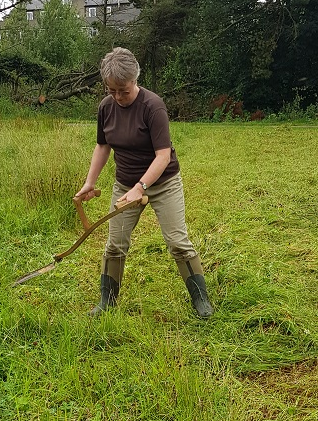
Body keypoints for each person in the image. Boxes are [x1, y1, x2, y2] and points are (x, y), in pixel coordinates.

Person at [74, 47, 214, 319]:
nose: (117, 97)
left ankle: (201, 300)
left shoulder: (153, 106)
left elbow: (163, 156)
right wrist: (90, 182)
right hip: (125, 185)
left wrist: (142, 187)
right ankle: (107, 301)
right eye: (111, 90)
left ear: (135, 80)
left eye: (123, 90)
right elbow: (102, 146)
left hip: (163, 183)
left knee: (177, 242)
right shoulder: (106, 108)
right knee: (115, 244)